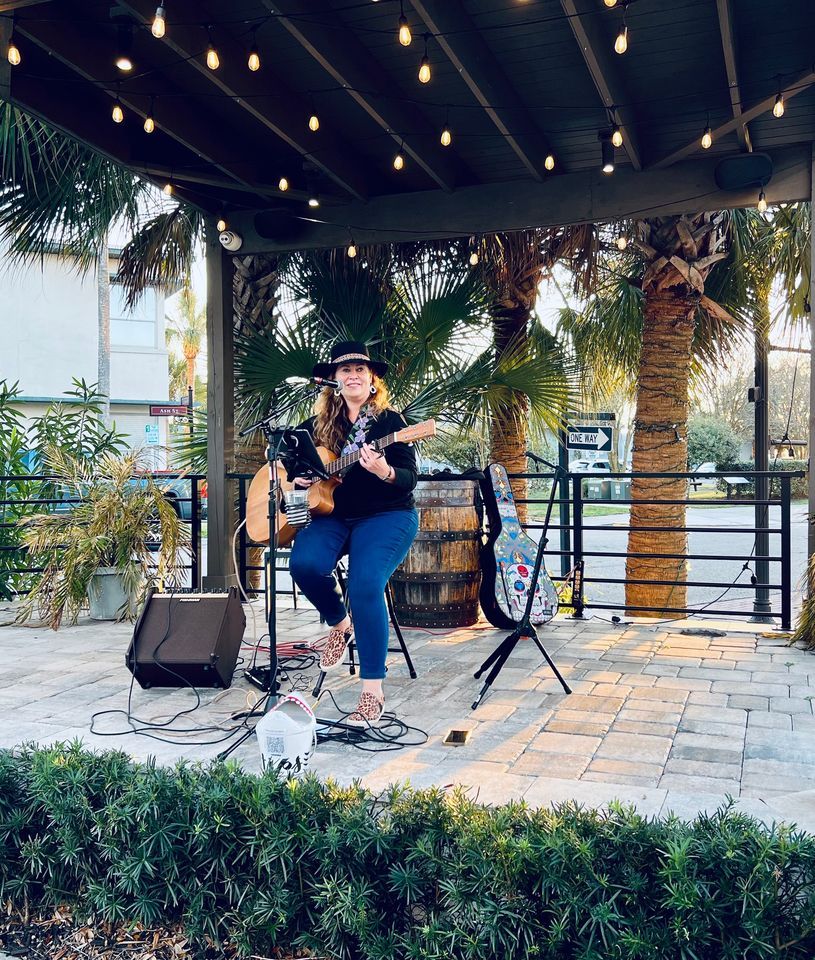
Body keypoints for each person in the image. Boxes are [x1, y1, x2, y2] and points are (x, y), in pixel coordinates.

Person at [288, 341, 419, 726]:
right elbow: (285, 459)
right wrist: (294, 477)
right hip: (334, 514)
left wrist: (384, 471)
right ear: (334, 379)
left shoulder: (389, 423)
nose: (353, 376)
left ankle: (372, 689)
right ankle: (340, 626)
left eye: (360, 369)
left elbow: (409, 480)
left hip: (386, 515)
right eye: (345, 370)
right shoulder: (315, 426)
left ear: (372, 378)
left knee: (364, 585)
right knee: (305, 565)